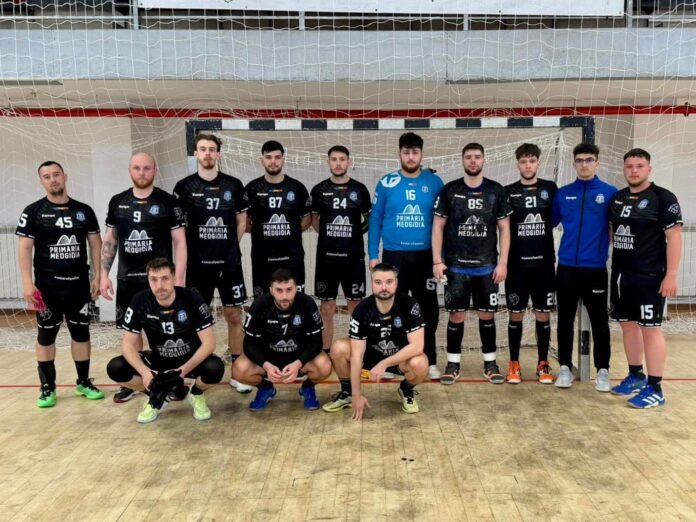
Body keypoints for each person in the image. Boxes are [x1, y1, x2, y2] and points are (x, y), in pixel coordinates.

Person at [16, 161, 104, 408]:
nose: (53, 179)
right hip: (46, 288)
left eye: (56, 174)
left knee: (81, 334)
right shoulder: (33, 211)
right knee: (45, 336)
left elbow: (96, 244)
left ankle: (83, 382)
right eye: (47, 176)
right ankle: (47, 387)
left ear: (65, 176)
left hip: (78, 287)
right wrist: (27, 283)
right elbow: (25, 247)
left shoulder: (83, 211)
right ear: (41, 181)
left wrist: (99, 275)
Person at [101, 152, 187, 403]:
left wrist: (179, 278)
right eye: (137, 168)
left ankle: (172, 380)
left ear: (154, 170)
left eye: (147, 168)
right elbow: (110, 240)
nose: (142, 172)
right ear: (129, 170)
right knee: (132, 333)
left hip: (160, 282)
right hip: (128, 279)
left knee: (167, 332)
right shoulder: (118, 201)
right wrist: (104, 274)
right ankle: (137, 381)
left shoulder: (168, 202)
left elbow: (180, 242)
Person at [173, 133, 251, 394]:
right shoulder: (184, 187)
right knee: (195, 318)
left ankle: (238, 372)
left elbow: (242, 221)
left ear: (218, 154)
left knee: (234, 316)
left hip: (229, 265)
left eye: (211, 149)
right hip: (198, 266)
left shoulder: (234, 185)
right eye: (202, 149)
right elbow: (178, 227)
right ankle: (194, 370)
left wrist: (230, 245)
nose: (207, 153)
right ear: (196, 153)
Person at [106, 258, 223, 423]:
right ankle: (157, 395)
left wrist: (182, 372)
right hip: (159, 360)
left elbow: (209, 343)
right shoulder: (140, 301)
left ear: (174, 278)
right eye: (154, 279)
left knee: (215, 368)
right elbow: (127, 345)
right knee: (116, 368)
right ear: (148, 280)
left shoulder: (191, 298)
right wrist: (145, 372)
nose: (159, 285)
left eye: (165, 278)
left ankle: (195, 393)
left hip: (189, 360)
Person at [432, 143, 512, 385]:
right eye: (468, 157)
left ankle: (490, 364)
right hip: (456, 267)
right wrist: (437, 261)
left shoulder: (496, 191)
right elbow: (438, 226)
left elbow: (504, 229)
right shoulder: (450, 190)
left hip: (487, 268)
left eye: (477, 157)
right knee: (456, 316)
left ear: (484, 160)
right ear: (462, 160)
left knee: (487, 316)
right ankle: (452, 364)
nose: (473, 161)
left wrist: (503, 263)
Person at [609, 148, 682, 408]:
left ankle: (656, 388)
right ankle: (636, 375)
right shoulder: (618, 198)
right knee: (628, 326)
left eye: (639, 166)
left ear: (649, 169)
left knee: (650, 329)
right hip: (621, 276)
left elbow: (674, 237)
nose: (634, 171)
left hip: (649, 277)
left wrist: (671, 275)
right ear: (624, 169)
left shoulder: (663, 197)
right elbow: (611, 232)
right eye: (629, 166)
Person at [368, 132, 443, 379]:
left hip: (425, 258)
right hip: (394, 257)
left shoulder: (434, 183)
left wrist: (440, 259)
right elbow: (375, 219)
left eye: (415, 152)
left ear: (421, 154)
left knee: (428, 309)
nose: (411, 157)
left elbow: (442, 223)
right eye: (406, 152)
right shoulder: (386, 182)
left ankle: (429, 359)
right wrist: (373, 254)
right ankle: (392, 363)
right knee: (392, 309)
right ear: (399, 154)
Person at [322, 263, 428, 420]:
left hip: (398, 359)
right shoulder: (362, 309)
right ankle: (348, 393)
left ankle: (406, 389)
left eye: (389, 282)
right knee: (338, 348)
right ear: (372, 283)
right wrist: (357, 394)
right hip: (370, 357)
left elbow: (417, 346)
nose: (384, 287)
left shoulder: (409, 304)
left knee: (421, 363)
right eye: (378, 282)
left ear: (396, 283)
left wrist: (384, 363)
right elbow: (357, 355)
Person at [552, 143, 618, 390]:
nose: (584, 164)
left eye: (589, 160)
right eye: (579, 160)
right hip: (566, 268)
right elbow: (548, 222)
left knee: (600, 322)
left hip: (595, 269)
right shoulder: (563, 193)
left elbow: (617, 227)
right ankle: (565, 368)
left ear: (597, 163)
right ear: (574, 164)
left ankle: (603, 371)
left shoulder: (610, 193)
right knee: (565, 321)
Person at [232, 269, 332, 411]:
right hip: (269, 359)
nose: (284, 296)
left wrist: (298, 363)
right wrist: (266, 365)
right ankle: (265, 388)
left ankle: (307, 387)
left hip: (299, 358)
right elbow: (249, 345)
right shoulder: (260, 305)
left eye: (289, 290)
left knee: (325, 366)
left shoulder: (307, 303)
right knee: (238, 370)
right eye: (279, 290)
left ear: (296, 289)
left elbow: (317, 343)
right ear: (271, 290)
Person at [504, 143, 558, 384]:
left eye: (532, 161)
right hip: (516, 265)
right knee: (515, 314)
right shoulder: (508, 191)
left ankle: (543, 363)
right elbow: (503, 227)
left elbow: (555, 220)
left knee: (543, 314)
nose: (528, 165)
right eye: (524, 161)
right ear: (518, 164)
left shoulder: (550, 188)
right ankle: (514, 363)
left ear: (538, 162)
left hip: (543, 265)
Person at [310, 145, 371, 354]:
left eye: (342, 159)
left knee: (355, 307)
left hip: (353, 259)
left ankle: (357, 353)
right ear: (328, 162)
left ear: (349, 162)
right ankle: (325, 353)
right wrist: (329, 236)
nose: (338, 163)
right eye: (334, 159)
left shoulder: (360, 189)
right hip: (326, 259)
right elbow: (315, 220)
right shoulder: (319, 190)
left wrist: (353, 233)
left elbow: (368, 220)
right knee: (327, 308)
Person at [244, 141, 311, 297]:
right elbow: (243, 221)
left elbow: (307, 218)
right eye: (268, 157)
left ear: (283, 160)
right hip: (262, 258)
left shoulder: (297, 188)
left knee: (294, 301)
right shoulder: (252, 188)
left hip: (292, 258)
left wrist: (291, 230)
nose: (273, 161)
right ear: (262, 160)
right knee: (263, 303)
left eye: (277, 157)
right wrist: (260, 231)